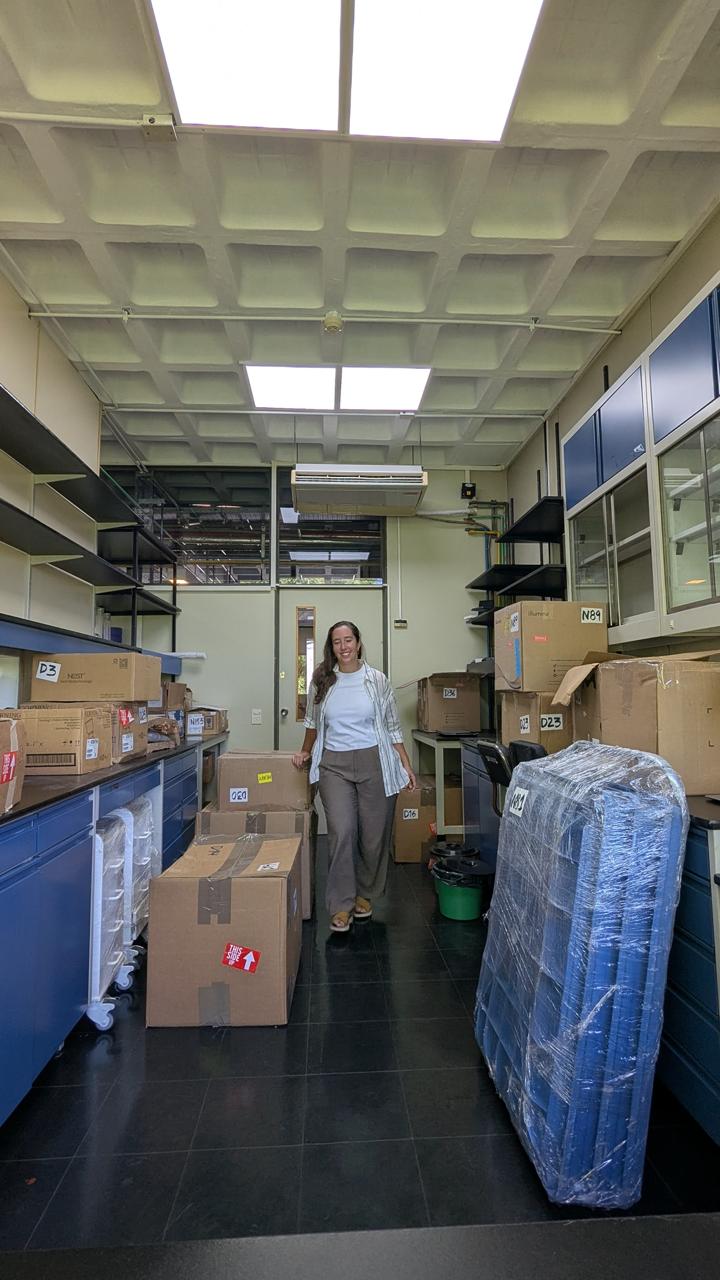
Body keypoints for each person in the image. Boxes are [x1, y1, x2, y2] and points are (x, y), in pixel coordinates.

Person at [292, 620, 416, 932]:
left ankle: (365, 895)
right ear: (331, 647)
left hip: (375, 760)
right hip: (334, 764)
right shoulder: (323, 679)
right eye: (337, 642)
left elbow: (391, 726)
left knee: (374, 836)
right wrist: (305, 751)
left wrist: (405, 764)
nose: (344, 647)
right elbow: (312, 722)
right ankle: (341, 905)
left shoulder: (377, 680)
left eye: (349, 640)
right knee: (343, 830)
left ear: (358, 643)